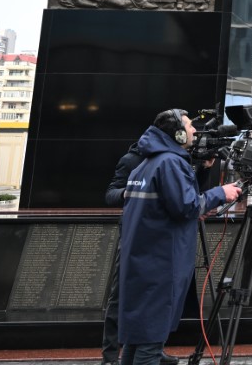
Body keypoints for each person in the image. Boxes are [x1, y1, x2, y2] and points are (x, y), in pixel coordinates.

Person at [118, 110, 241, 365]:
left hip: (143, 260)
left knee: (138, 337)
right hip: (161, 263)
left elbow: (170, 206)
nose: (194, 130)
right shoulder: (170, 163)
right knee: (151, 342)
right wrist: (221, 193)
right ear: (178, 134)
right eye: (189, 126)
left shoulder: (146, 164)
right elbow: (187, 206)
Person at [101, 142, 179, 365]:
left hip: (161, 239)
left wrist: (204, 169)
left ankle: (152, 346)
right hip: (134, 238)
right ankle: (109, 356)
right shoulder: (132, 160)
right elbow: (110, 194)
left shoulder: (173, 161)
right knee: (120, 296)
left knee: (157, 298)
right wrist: (130, 192)